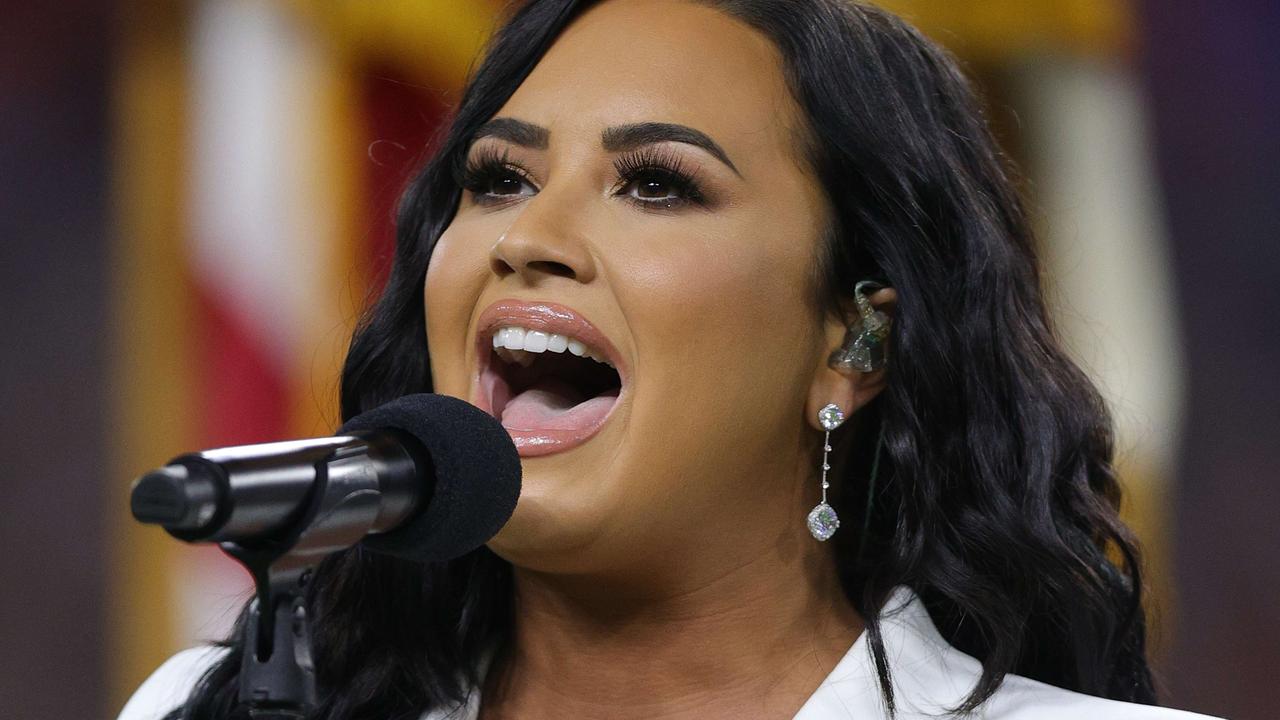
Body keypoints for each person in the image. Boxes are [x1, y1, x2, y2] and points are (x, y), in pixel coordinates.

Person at [119, 1, 1225, 718]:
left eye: (656, 183)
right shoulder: (216, 705)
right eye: (496, 178)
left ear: (855, 338)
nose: (524, 238)